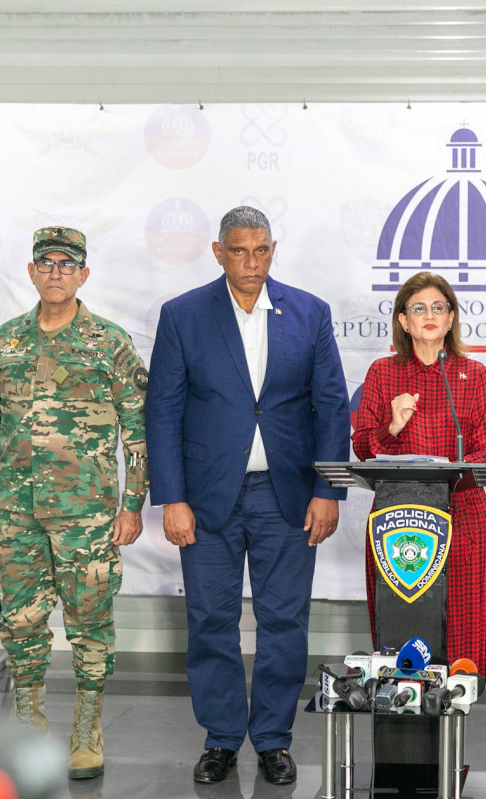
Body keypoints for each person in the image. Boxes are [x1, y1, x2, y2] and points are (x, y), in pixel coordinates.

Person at [145, 206, 350, 785]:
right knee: (210, 620)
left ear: (273, 250)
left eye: (261, 251)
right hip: (206, 499)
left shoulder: (309, 312)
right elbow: (163, 410)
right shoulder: (183, 315)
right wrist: (172, 498)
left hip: (288, 497)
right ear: (218, 252)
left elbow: (332, 406)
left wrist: (327, 490)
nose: (251, 262)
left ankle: (274, 739)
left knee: (284, 621)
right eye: (238, 251)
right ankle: (220, 737)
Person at [0, 226, 148, 780]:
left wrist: (132, 503)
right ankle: (28, 728)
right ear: (31, 271)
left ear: (83, 274)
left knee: (89, 622)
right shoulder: (5, 343)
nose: (56, 273)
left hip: (87, 515)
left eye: (67, 265)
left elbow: (138, 430)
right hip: (16, 512)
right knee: (21, 622)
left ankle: (87, 730)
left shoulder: (109, 343)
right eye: (46, 263)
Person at [352, 272, 486, 682]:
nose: (430, 315)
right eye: (418, 308)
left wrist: (450, 471)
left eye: (439, 307)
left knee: (463, 641)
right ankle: (402, 700)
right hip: (398, 521)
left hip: (463, 517)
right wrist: (393, 427)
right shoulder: (383, 373)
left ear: (451, 318)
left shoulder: (474, 374)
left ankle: (458, 703)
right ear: (404, 321)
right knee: (404, 629)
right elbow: (363, 446)